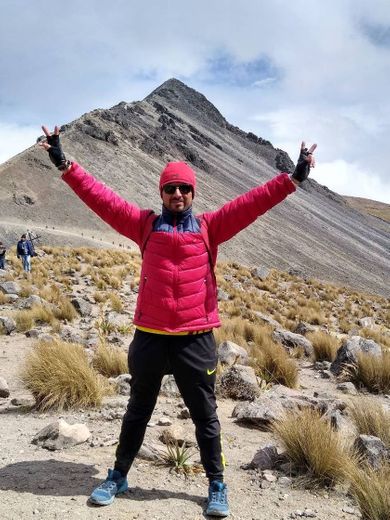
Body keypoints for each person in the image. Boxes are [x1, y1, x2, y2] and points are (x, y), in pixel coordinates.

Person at [39, 125, 316, 517]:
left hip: (195, 338)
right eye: (170, 189)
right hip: (149, 337)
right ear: (161, 193)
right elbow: (101, 199)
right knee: (138, 410)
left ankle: (216, 484)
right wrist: (65, 165)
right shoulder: (144, 225)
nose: (177, 195)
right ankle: (118, 475)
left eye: (184, 189)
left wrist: (292, 180)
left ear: (192, 193)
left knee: (205, 416)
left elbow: (253, 203)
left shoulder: (210, 228)